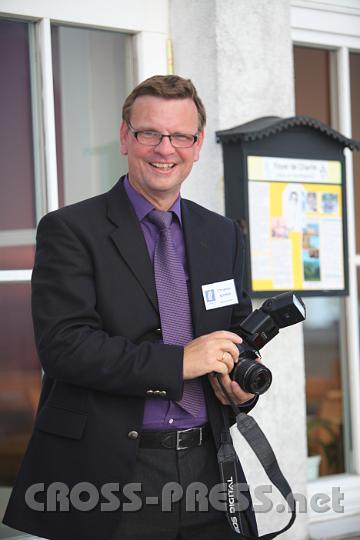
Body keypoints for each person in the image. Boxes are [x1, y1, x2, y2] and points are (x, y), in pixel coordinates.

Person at [3, 75, 258, 540]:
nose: (166, 148)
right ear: (125, 137)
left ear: (197, 145)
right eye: (150, 133)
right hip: (110, 474)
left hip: (210, 467)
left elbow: (237, 330)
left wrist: (241, 385)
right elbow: (64, 346)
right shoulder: (70, 230)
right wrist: (179, 362)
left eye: (180, 135)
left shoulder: (222, 234)